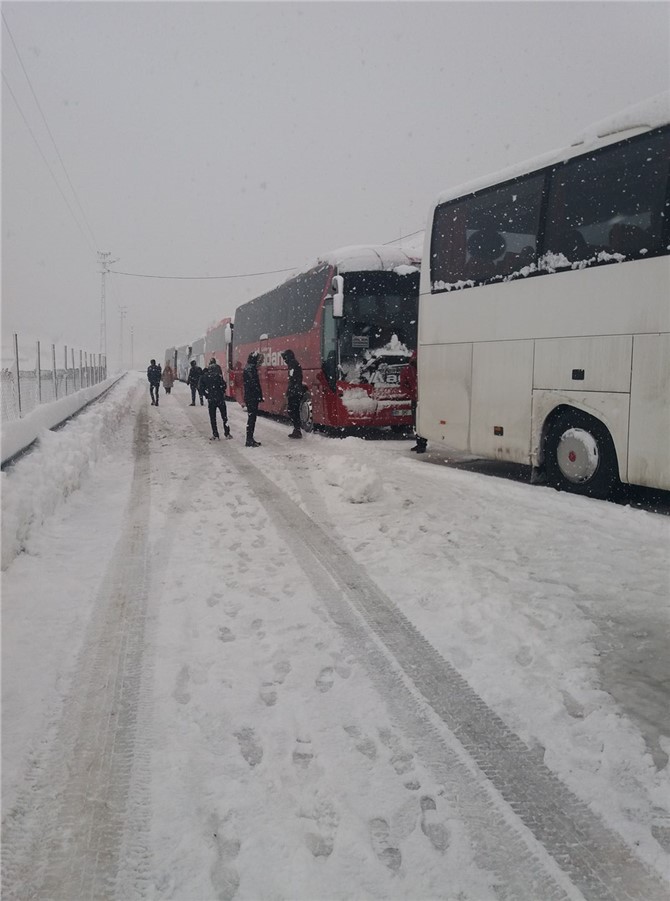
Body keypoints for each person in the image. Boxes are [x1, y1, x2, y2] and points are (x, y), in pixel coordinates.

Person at [400, 351, 427, 453]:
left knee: (421, 422)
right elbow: (403, 385)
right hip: (416, 400)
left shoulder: (421, 369)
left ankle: (422, 443)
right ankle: (420, 443)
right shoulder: (407, 370)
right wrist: (413, 394)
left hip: (424, 399)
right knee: (417, 422)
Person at [199, 359, 232, 440]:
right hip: (220, 398)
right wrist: (221, 391)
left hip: (211, 399)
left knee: (213, 418)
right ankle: (227, 433)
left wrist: (206, 395)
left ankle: (215, 434)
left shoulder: (205, 376)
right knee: (224, 417)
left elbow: (200, 388)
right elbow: (224, 385)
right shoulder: (218, 376)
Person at [280, 348, 304, 439]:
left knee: (292, 410)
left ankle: (297, 429)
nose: (285, 361)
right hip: (295, 391)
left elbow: (293, 380)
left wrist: (289, 392)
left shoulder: (293, 364)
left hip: (294, 392)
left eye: (285, 358)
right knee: (293, 410)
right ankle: (296, 429)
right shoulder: (293, 363)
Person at [243, 351, 264, 447]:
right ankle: (249, 439)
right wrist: (258, 395)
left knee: (251, 418)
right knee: (252, 418)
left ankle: (250, 438)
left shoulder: (248, 367)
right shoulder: (251, 369)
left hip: (249, 396)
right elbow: (254, 384)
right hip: (252, 397)